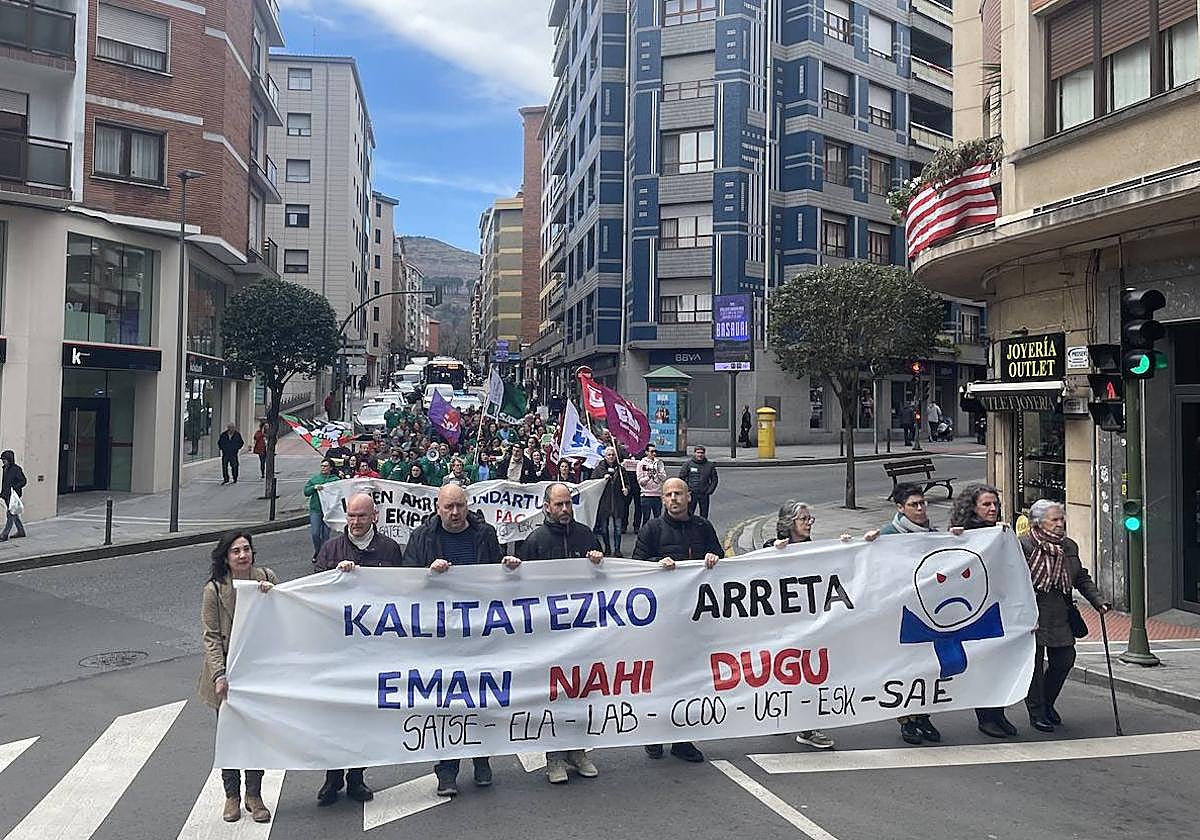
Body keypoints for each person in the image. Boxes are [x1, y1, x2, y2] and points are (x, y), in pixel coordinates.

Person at [402, 484, 516, 797]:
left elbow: (498, 579)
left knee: (481, 699)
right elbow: (404, 582)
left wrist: (508, 569)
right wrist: (427, 573)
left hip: (480, 633)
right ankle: (447, 769)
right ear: (438, 507)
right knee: (446, 703)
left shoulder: (485, 535)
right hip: (441, 636)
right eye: (449, 507)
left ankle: (482, 761)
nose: (455, 513)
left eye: (460, 506)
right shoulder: (422, 538)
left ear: (468, 506)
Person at [312, 493, 406, 805]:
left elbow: (400, 592)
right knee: (335, 716)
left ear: (374, 517)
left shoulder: (389, 550)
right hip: (338, 648)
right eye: (350, 516)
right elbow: (313, 594)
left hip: (373, 648)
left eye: (361, 516)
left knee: (364, 715)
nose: (355, 522)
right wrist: (335, 577)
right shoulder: (331, 549)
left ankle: (356, 777)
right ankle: (332, 777)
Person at [864, 483, 963, 745]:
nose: (920, 509)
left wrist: (957, 540)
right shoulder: (886, 535)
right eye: (913, 505)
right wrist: (865, 544)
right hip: (900, 614)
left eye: (923, 503)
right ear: (900, 508)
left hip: (928, 613)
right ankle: (906, 720)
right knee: (904, 668)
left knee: (927, 668)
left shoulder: (933, 534)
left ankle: (923, 715)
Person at [519, 483, 604, 784]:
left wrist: (598, 563)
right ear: (547, 507)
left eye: (569, 504)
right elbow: (520, 588)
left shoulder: (585, 535)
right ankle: (553, 756)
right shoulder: (535, 540)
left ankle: (577, 751)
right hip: (549, 636)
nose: (565, 509)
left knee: (580, 693)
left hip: (581, 634)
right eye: (559, 505)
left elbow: (605, 581)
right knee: (553, 696)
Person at [633, 477, 722, 763]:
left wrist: (714, 558)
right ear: (662, 500)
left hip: (696, 620)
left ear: (688, 497)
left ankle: (682, 738)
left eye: (678, 494)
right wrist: (656, 564)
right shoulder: (652, 529)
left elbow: (724, 564)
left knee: (690, 682)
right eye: (668, 494)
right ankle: (655, 736)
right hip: (662, 621)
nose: (673, 499)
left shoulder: (703, 527)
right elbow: (635, 568)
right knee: (660, 681)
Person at [198, 531, 277, 823]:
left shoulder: (266, 577)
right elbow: (210, 637)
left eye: (246, 549)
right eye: (236, 551)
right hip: (226, 676)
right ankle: (231, 795)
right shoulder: (215, 590)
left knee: (255, 736)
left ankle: (254, 795)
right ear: (226, 558)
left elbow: (284, 614)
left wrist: (272, 595)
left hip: (258, 674)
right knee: (229, 737)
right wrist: (219, 674)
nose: (243, 555)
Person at [1022, 500, 1110, 732]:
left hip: (1060, 612)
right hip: (1033, 614)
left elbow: (1080, 576)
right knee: (1034, 667)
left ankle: (1048, 703)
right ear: (1038, 522)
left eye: (1062, 519)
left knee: (1064, 660)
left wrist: (1098, 601)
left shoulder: (1069, 546)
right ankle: (1037, 711)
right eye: (1055, 520)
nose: (1060, 524)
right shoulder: (1024, 546)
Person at [765, 500, 842, 750]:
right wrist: (772, 555)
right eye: (803, 519)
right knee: (781, 673)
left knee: (809, 674)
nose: (809, 523)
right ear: (789, 523)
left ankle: (808, 727)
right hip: (780, 626)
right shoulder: (772, 549)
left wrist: (848, 548)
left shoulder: (815, 550)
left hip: (808, 626)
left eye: (810, 519)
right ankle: (780, 716)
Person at [950, 482, 1018, 739]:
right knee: (984, 664)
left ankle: (998, 713)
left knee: (1001, 664)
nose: (992, 508)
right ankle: (985, 717)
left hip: (998, 607)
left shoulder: (1000, 533)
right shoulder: (963, 535)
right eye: (986, 504)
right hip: (974, 611)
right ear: (972, 508)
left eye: (995, 504)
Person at [591, 447, 631, 556]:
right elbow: (593, 483)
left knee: (618, 529)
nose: (611, 457)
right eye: (609, 455)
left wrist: (627, 489)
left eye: (613, 455)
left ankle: (617, 549)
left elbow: (627, 483)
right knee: (604, 529)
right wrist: (602, 479)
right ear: (605, 456)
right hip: (605, 503)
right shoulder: (599, 469)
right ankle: (607, 548)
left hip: (617, 504)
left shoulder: (621, 470)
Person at [303, 459, 338, 559]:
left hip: (328, 511)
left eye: (326, 466)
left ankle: (324, 554)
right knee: (315, 533)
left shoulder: (335, 480)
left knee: (326, 535)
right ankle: (318, 551)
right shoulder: (315, 479)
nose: (323, 468)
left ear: (331, 468)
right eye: (322, 466)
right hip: (316, 510)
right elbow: (306, 492)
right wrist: (314, 487)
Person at [679, 445, 718, 518]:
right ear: (695, 453)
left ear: (704, 453)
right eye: (698, 453)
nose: (700, 455)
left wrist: (709, 491)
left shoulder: (710, 465)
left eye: (702, 453)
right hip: (691, 494)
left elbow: (714, 480)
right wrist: (686, 491)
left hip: (704, 494)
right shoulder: (688, 464)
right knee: (689, 513)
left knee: (704, 515)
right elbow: (681, 478)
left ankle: (702, 528)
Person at [0, 450, 27, 541]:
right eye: (2, 459)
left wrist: (15, 487)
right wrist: (2, 493)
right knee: (14, 514)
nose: (3, 461)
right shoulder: (5, 468)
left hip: (14, 496)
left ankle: (4, 534)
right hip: (7, 495)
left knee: (10, 514)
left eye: (5, 459)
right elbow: (5, 483)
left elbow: (23, 481)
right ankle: (21, 531)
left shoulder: (16, 469)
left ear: (9, 459)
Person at [637, 445, 667, 523]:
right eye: (652, 451)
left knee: (658, 519)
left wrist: (658, 472)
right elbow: (640, 482)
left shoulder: (659, 462)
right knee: (646, 519)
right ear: (646, 452)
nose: (654, 453)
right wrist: (649, 476)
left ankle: (658, 535)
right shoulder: (641, 464)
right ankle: (645, 534)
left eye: (655, 451)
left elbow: (664, 477)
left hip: (657, 495)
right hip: (646, 495)